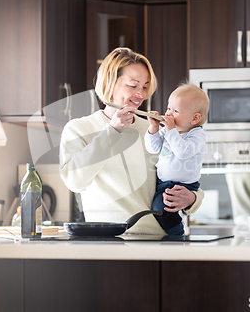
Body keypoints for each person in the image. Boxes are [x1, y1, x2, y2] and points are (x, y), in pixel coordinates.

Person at [59, 47, 203, 235]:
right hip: (110, 243)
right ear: (110, 83)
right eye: (133, 86)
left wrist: (192, 198)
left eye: (144, 87)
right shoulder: (78, 129)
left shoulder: (153, 131)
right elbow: (75, 182)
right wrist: (112, 131)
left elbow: (185, 172)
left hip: (160, 241)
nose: (141, 94)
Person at [144, 83, 209, 235]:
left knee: (162, 210)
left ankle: (177, 236)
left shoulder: (197, 135)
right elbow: (152, 148)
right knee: (160, 210)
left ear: (195, 118)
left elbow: (183, 152)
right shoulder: (168, 131)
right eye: (168, 108)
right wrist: (153, 129)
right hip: (163, 184)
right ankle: (175, 234)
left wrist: (170, 130)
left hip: (184, 185)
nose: (169, 114)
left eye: (176, 111)